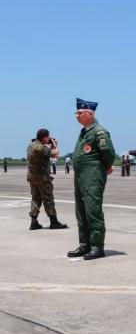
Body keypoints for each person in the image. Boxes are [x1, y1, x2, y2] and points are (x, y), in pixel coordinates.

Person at [67, 98, 116, 260]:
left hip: (93, 176)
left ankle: (97, 246)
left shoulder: (99, 132)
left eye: (80, 113)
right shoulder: (85, 131)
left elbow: (108, 152)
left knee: (92, 210)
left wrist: (106, 167)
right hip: (81, 177)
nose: (77, 116)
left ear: (90, 114)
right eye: (77, 113)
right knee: (81, 211)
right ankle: (84, 245)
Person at [27, 129, 68, 230]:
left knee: (35, 199)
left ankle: (34, 221)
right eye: (48, 137)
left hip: (32, 177)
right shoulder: (40, 147)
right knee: (48, 198)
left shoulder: (32, 145)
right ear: (44, 137)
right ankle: (53, 222)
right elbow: (56, 154)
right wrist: (54, 145)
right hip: (42, 178)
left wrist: (48, 143)